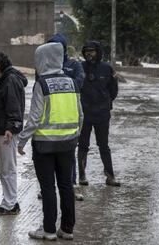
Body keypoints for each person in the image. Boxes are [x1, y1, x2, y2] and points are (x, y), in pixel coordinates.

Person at [17, 42, 83, 240]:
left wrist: (21, 141)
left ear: (43, 60)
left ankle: (49, 230)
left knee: (47, 188)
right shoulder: (72, 82)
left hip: (44, 145)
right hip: (68, 144)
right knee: (66, 186)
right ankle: (68, 229)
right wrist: (75, 136)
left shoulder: (42, 84)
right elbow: (80, 115)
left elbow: (35, 118)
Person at [0, 52, 28, 215]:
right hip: (3, 130)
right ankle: (9, 201)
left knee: (8, 168)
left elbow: (13, 106)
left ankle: (10, 203)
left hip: (6, 132)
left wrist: (10, 128)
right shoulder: (6, 79)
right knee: (4, 168)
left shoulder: (9, 80)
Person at [47, 33, 85, 201]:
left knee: (69, 153)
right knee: (47, 154)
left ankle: (72, 185)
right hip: (49, 115)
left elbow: (79, 83)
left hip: (68, 114)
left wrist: (61, 83)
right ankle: (48, 187)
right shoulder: (44, 66)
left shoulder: (74, 65)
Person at [78, 41, 120, 186]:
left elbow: (113, 90)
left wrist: (106, 103)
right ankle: (82, 176)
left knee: (104, 145)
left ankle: (110, 176)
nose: (89, 54)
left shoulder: (106, 68)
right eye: (86, 51)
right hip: (84, 114)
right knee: (83, 145)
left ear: (98, 52)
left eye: (92, 51)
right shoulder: (80, 68)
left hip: (102, 114)